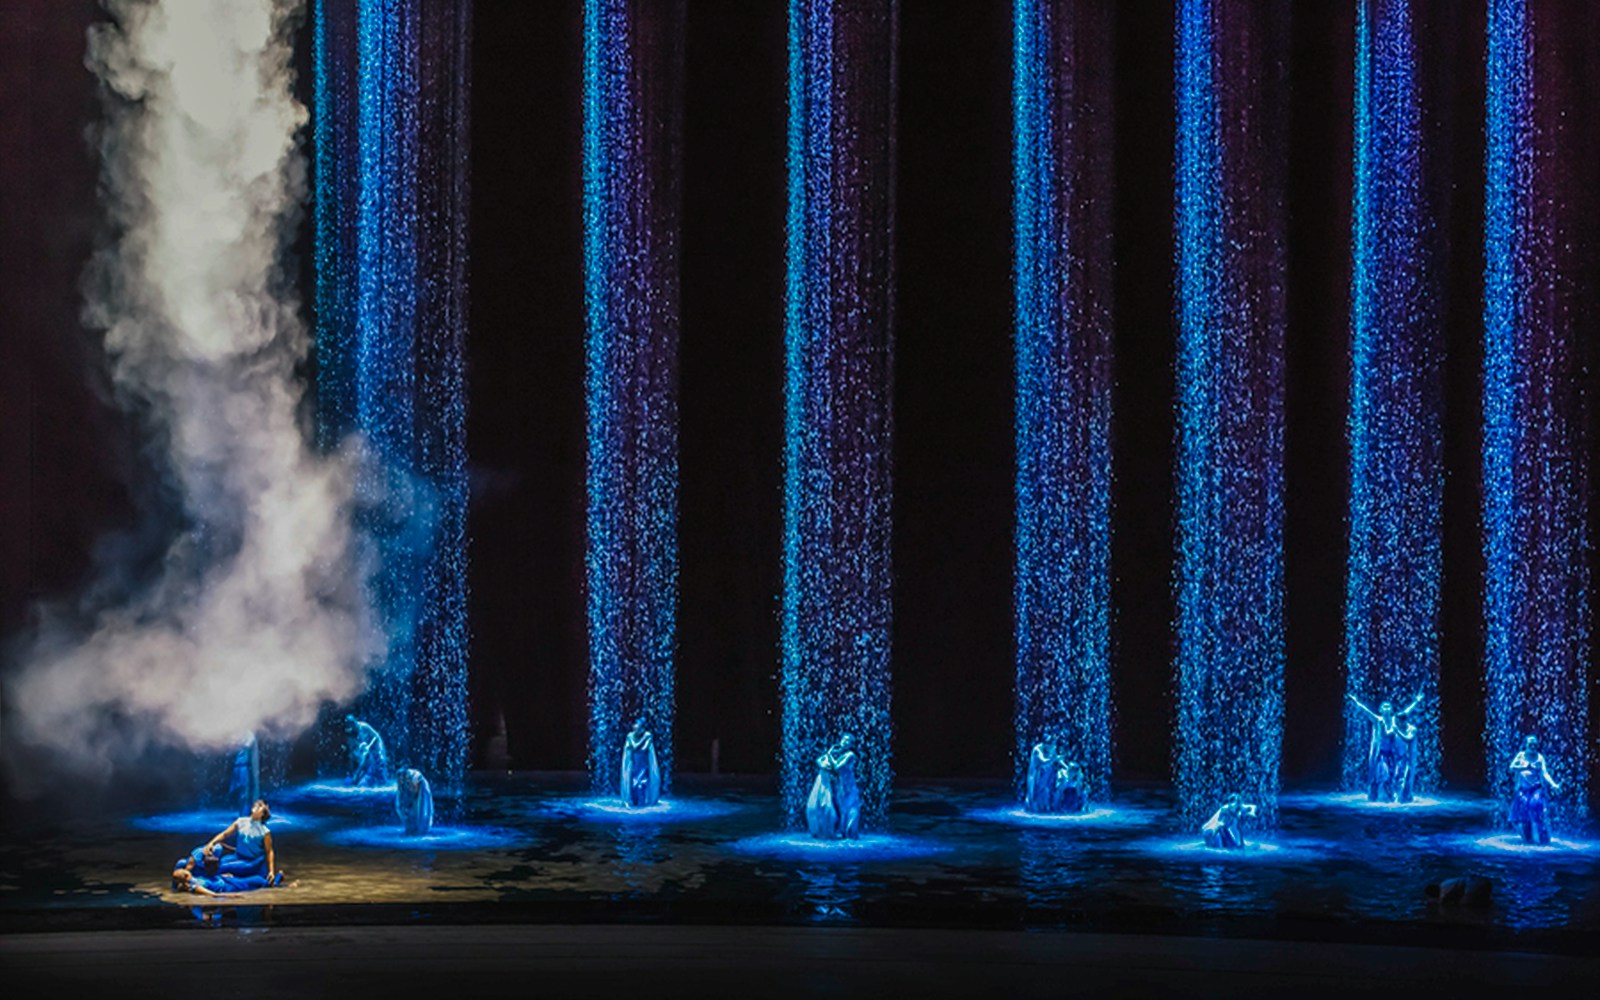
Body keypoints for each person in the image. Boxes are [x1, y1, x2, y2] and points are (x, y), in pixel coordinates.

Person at [1348, 691, 1422, 803]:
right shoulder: (1378, 720)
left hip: (1392, 754)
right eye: (1384, 706)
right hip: (1381, 753)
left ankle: (1392, 797)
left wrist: (1416, 701)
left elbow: (1406, 712)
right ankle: (1374, 796)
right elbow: (1365, 711)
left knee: (1393, 776)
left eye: (1389, 706)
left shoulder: (1395, 721)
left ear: (1391, 710)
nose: (1387, 708)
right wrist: (1356, 701)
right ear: (1381, 710)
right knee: (1381, 775)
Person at [193, 799, 277, 880]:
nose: (257, 806)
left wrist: (271, 871)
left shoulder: (264, 832)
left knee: (223, 867)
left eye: (260, 806)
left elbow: (269, 851)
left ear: (263, 814)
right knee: (221, 862)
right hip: (237, 856)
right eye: (257, 804)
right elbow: (225, 834)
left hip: (251, 861)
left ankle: (201, 875)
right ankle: (198, 870)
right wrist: (211, 843)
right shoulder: (241, 822)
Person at [805, 734, 862, 841]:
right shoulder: (839, 754)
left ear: (851, 745)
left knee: (851, 810)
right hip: (841, 787)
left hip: (849, 787)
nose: (844, 742)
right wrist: (822, 762)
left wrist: (829, 753)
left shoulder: (850, 754)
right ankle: (841, 834)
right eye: (843, 740)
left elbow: (836, 767)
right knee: (842, 810)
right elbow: (819, 760)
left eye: (848, 741)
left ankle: (852, 836)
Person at [1508, 734, 1561, 845]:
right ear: (1526, 745)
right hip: (1523, 790)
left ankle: (1544, 841)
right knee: (1523, 815)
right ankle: (1528, 840)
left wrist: (1553, 784)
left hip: (1536, 789)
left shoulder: (1539, 757)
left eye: (1535, 745)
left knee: (1536, 810)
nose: (1533, 747)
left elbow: (1545, 773)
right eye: (1530, 744)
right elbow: (1512, 767)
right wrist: (1525, 767)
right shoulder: (1521, 755)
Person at [620, 718, 661, 808]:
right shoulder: (631, 736)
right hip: (633, 762)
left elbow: (644, 749)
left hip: (643, 763)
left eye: (638, 729)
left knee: (642, 783)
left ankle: (642, 803)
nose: (636, 731)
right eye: (634, 729)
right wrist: (645, 738)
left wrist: (646, 739)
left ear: (642, 729)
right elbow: (635, 747)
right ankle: (634, 802)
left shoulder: (647, 735)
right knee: (633, 782)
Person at [344, 715, 389, 787]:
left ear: (353, 723)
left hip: (377, 744)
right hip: (368, 747)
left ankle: (383, 783)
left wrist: (369, 746)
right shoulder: (355, 734)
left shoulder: (363, 726)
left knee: (380, 762)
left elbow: (376, 736)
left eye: (350, 725)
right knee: (370, 763)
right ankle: (374, 781)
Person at [227, 731, 260, 819]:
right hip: (237, 767)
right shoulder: (237, 733)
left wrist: (236, 742)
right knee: (237, 792)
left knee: (244, 793)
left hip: (244, 767)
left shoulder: (248, 734)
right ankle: (241, 813)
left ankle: (245, 815)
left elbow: (247, 745)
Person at [395, 768, 435, 836]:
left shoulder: (422, 787)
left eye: (410, 783)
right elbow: (400, 806)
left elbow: (425, 811)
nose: (410, 786)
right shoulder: (404, 790)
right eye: (407, 783)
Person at [1024, 741, 1058, 813]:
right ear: (1045, 744)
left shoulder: (1052, 748)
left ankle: (1043, 808)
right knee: (1033, 793)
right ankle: (1031, 810)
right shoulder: (1037, 750)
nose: (1053, 747)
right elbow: (1043, 761)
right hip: (1035, 774)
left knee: (1045, 791)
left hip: (1044, 774)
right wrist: (1053, 759)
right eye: (1051, 746)